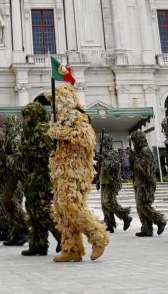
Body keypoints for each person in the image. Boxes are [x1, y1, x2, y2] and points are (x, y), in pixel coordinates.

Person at [49, 83, 108, 262]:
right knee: (61, 208)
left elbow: (87, 139)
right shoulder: (59, 119)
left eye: (56, 100)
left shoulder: (77, 116)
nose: (54, 104)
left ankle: (98, 236)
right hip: (61, 170)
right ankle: (71, 248)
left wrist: (61, 132)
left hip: (75, 171)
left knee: (71, 204)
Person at [19, 102, 61, 256]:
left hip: (41, 176)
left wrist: (26, 150)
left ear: (35, 115)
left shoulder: (42, 130)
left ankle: (61, 237)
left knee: (41, 210)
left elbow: (46, 154)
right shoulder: (30, 131)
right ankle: (38, 245)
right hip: (32, 176)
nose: (26, 119)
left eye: (28, 116)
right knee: (32, 211)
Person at [128, 130, 166, 237]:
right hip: (138, 182)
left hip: (144, 183)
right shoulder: (140, 152)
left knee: (142, 205)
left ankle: (159, 220)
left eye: (135, 141)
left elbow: (144, 168)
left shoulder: (145, 151)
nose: (134, 143)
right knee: (139, 207)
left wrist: (135, 159)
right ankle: (146, 228)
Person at [0, 117, 29, 247]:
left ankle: (26, 229)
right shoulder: (7, 140)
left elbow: (18, 158)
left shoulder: (16, 139)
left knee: (13, 203)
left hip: (19, 176)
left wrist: (5, 158)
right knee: (7, 203)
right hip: (11, 175)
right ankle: (17, 232)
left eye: (7, 127)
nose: (5, 129)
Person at [98, 133, 132, 233]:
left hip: (111, 182)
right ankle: (110, 224)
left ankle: (125, 216)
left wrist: (104, 158)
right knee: (104, 205)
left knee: (108, 202)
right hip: (104, 181)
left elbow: (113, 166)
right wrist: (98, 181)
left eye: (103, 143)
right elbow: (101, 169)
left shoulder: (112, 153)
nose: (102, 145)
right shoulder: (103, 153)